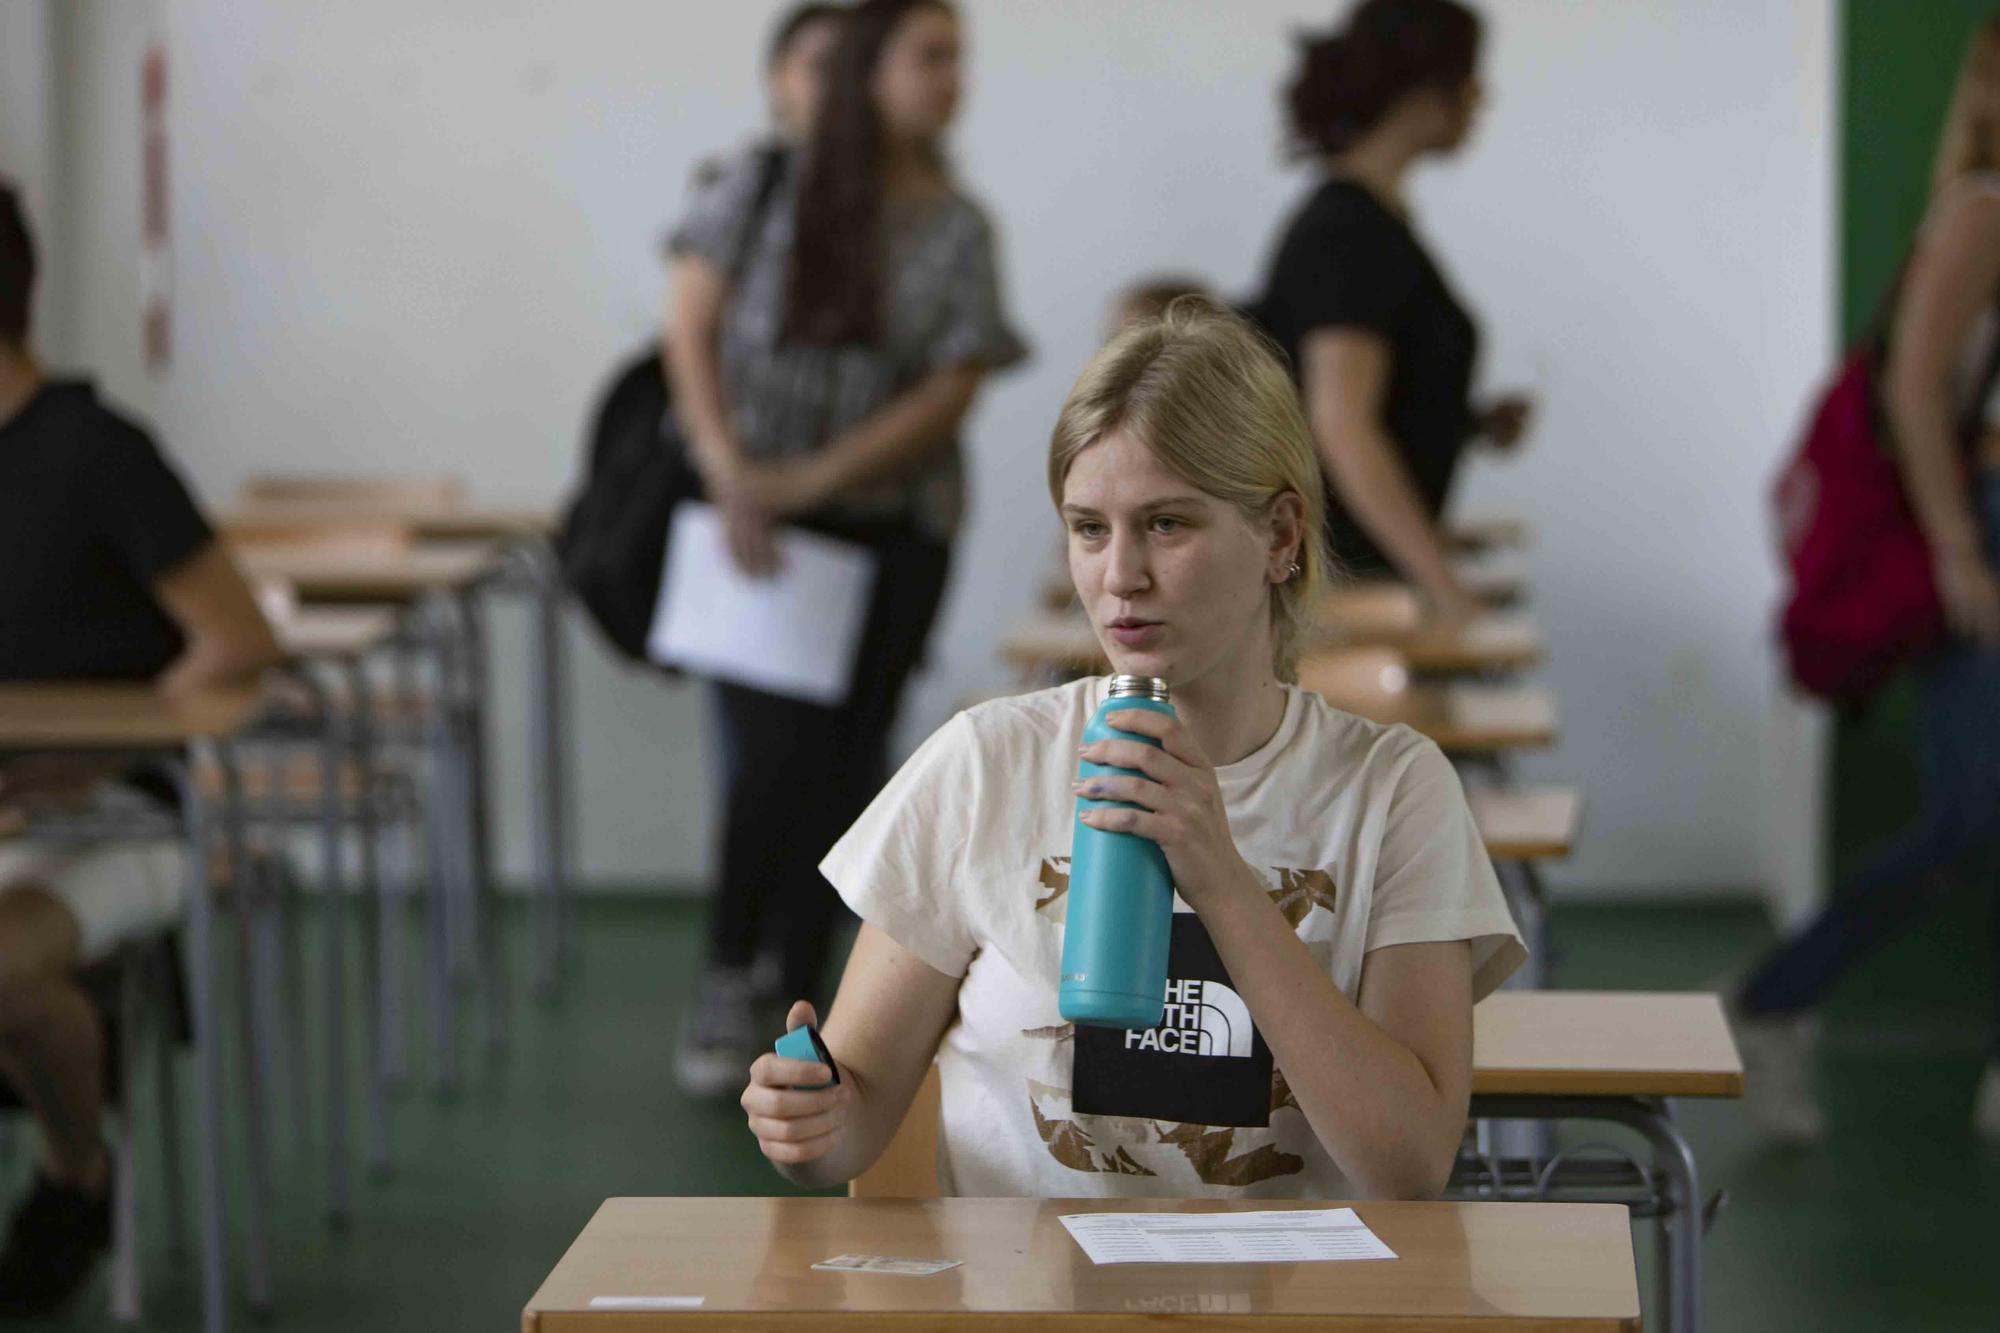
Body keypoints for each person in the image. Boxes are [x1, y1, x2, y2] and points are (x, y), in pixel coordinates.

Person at [739, 299, 1522, 1199]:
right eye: (1088, 528)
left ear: (1279, 535)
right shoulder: (987, 762)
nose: (1119, 577)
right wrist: (811, 1120)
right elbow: (860, 1110)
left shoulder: (1394, 790)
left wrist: (1221, 877)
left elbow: (1410, 1164)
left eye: (1167, 524)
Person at [663, 0, 1027, 1095]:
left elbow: (950, 386)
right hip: (755, 528)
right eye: (929, 56)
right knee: (767, 759)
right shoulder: (761, 184)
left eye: (957, 58)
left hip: (888, 532)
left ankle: (810, 1000)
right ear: (868, 71)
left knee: (851, 767)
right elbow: (688, 320)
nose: (952, 77)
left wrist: (810, 481)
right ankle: (732, 971)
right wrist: (732, 470)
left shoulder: (957, 225)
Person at [0, 181, 281, 1314]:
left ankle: (76, 1168)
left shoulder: (93, 450)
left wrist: (91, 762)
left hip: (117, 816)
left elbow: (235, 640)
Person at [1735, 20, 2000, 1143]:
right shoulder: (1982, 209)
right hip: (1982, 529)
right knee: (1965, 813)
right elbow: (1909, 391)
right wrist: (1954, 552)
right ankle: (1771, 998)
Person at [1247, 0, 1530, 625]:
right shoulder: (1350, 233)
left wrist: (1467, 423)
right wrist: (1444, 588)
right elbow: (1341, 424)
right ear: (1426, 91)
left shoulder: (1369, 224)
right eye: (1470, 80)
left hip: (1354, 578)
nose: (1481, 100)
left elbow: (1372, 400)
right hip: (1347, 589)